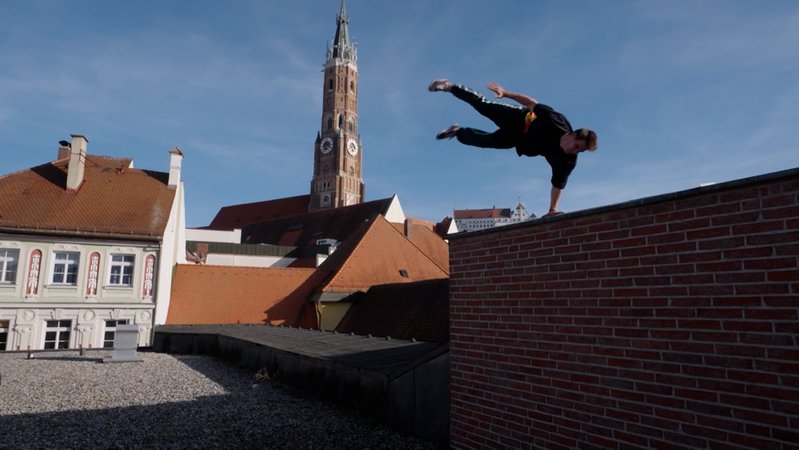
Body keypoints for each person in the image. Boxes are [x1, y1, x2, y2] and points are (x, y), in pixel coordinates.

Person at [428, 79, 597, 217]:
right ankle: (449, 86)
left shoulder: (567, 161)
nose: (575, 152)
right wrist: (506, 93)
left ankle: (457, 132)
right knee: (484, 106)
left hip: (518, 140)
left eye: (579, 151)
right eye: (576, 146)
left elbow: (558, 185)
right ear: (572, 135)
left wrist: (552, 210)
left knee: (487, 141)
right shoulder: (556, 120)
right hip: (518, 119)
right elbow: (531, 103)